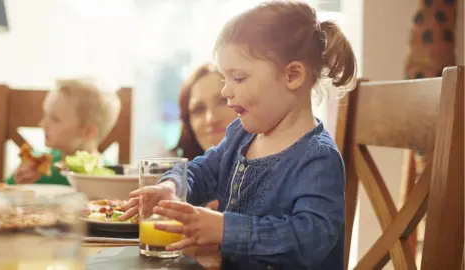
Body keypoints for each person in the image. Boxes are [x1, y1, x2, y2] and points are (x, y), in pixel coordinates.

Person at [121, 1, 356, 269]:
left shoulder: (317, 157)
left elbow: (308, 241)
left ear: (292, 75)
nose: (225, 91)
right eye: (224, 78)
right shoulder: (241, 135)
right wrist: (171, 186)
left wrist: (224, 229)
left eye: (239, 78)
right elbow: (203, 170)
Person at [6, 79, 121, 185]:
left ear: (87, 132)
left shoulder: (107, 178)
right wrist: (18, 183)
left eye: (55, 119)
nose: (42, 124)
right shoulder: (34, 166)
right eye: (45, 115)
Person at [170, 63, 237, 161]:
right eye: (199, 109)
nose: (211, 119)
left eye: (223, 101)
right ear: (188, 123)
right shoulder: (177, 171)